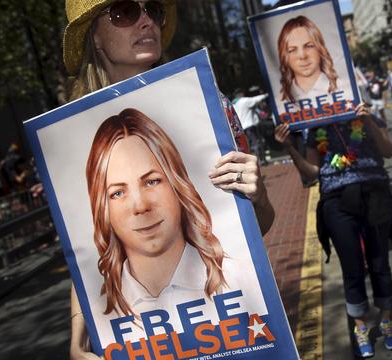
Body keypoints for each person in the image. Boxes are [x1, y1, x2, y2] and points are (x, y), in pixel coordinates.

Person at [60, 1, 275, 357]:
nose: (145, 21)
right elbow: (83, 252)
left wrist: (260, 197)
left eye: (153, 10)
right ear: (94, 37)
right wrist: (77, 340)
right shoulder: (70, 136)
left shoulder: (209, 106)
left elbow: (258, 228)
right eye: (125, 12)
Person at [85, 108, 259, 341]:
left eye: (152, 181)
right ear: (102, 208)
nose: (140, 205)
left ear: (177, 184)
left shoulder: (241, 277)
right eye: (117, 193)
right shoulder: (104, 311)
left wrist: (260, 198)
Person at [274, 103, 392, 358]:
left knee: (379, 261)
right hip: (336, 201)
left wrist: (367, 121)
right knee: (352, 266)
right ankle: (360, 327)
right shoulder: (316, 129)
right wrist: (289, 146)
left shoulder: (369, 116)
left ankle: (387, 320)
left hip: (374, 193)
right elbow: (312, 172)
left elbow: (387, 151)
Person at [277, 15, 346, 102]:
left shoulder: (344, 88)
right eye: (292, 50)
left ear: (320, 49)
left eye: (309, 46)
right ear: (285, 56)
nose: (302, 56)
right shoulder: (281, 101)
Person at [233, 88, 269, 162]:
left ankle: (248, 161)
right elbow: (256, 99)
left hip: (241, 128)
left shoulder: (234, 104)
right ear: (241, 94)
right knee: (255, 144)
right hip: (249, 126)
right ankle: (260, 161)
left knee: (246, 146)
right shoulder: (244, 101)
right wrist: (267, 94)